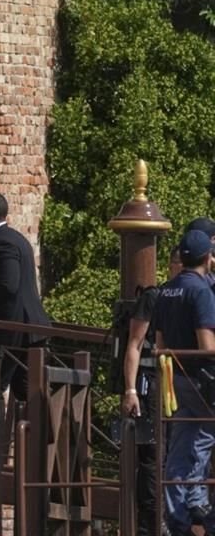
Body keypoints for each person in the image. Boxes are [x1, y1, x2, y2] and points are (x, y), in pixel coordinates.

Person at [154, 229, 215, 536]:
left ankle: (176, 516)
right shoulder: (201, 291)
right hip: (203, 378)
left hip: (174, 378)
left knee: (180, 445)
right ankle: (197, 502)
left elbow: (160, 340)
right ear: (208, 258)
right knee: (204, 438)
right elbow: (206, 345)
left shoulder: (166, 290)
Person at [121, 244, 182, 536]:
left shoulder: (194, 295)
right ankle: (151, 525)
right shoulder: (154, 297)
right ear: (171, 266)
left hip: (181, 384)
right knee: (154, 454)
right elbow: (134, 344)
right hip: (153, 382)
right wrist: (131, 389)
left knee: (176, 452)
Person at [0, 192, 52, 401]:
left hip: (12, 328)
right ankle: (37, 434)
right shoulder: (15, 238)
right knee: (25, 392)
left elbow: (8, 285)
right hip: (28, 328)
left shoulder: (3, 242)